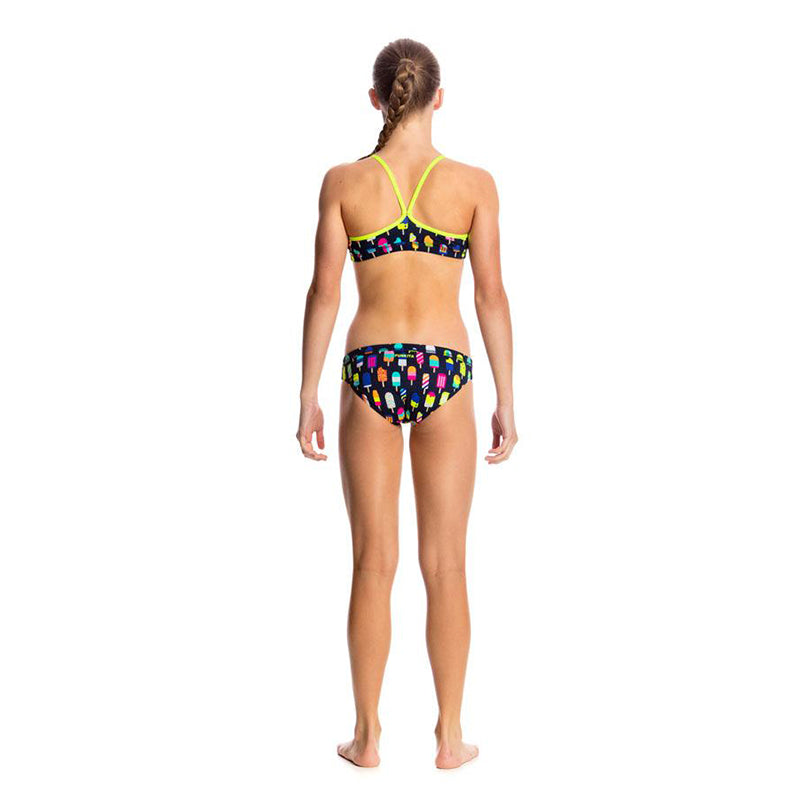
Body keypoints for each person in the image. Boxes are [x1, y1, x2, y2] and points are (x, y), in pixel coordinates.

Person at [297, 38, 517, 769]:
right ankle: (450, 738)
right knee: (446, 563)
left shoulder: (344, 182)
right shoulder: (474, 185)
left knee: (372, 562)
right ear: (439, 98)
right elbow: (490, 295)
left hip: (369, 368)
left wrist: (308, 394)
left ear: (376, 98)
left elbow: (325, 292)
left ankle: (366, 738)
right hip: (445, 369)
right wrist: (506, 397)